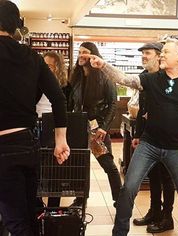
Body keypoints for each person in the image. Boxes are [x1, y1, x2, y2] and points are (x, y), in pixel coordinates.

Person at [85, 39, 178, 236]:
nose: (161, 55)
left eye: (166, 52)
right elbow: (124, 79)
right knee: (128, 189)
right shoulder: (152, 78)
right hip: (149, 145)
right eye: (161, 52)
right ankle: (119, 232)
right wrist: (103, 65)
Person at [0, 1, 70, 235]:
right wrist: (61, 140)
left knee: (14, 220)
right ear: (15, 25)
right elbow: (59, 98)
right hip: (27, 143)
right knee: (31, 212)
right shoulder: (33, 57)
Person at [69, 41, 122, 207]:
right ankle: (80, 199)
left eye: (85, 52)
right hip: (78, 127)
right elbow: (71, 102)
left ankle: (119, 200)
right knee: (79, 166)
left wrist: (104, 128)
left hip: (96, 129)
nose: (81, 55)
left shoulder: (104, 76)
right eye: (79, 51)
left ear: (94, 55)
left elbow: (113, 103)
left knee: (108, 165)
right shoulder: (75, 76)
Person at [132, 42, 175, 234]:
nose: (143, 56)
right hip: (149, 136)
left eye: (147, 53)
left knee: (167, 177)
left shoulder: (170, 78)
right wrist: (137, 134)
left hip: (168, 137)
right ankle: (154, 212)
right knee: (153, 175)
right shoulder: (144, 78)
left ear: (159, 56)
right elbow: (142, 109)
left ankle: (167, 217)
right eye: (142, 53)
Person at [36, 51, 71, 208]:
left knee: (55, 170)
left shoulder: (65, 86)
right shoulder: (35, 82)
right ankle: (37, 205)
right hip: (36, 127)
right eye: (45, 65)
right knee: (36, 169)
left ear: (58, 68)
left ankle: (53, 208)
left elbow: (67, 108)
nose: (47, 69)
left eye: (50, 66)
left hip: (56, 130)